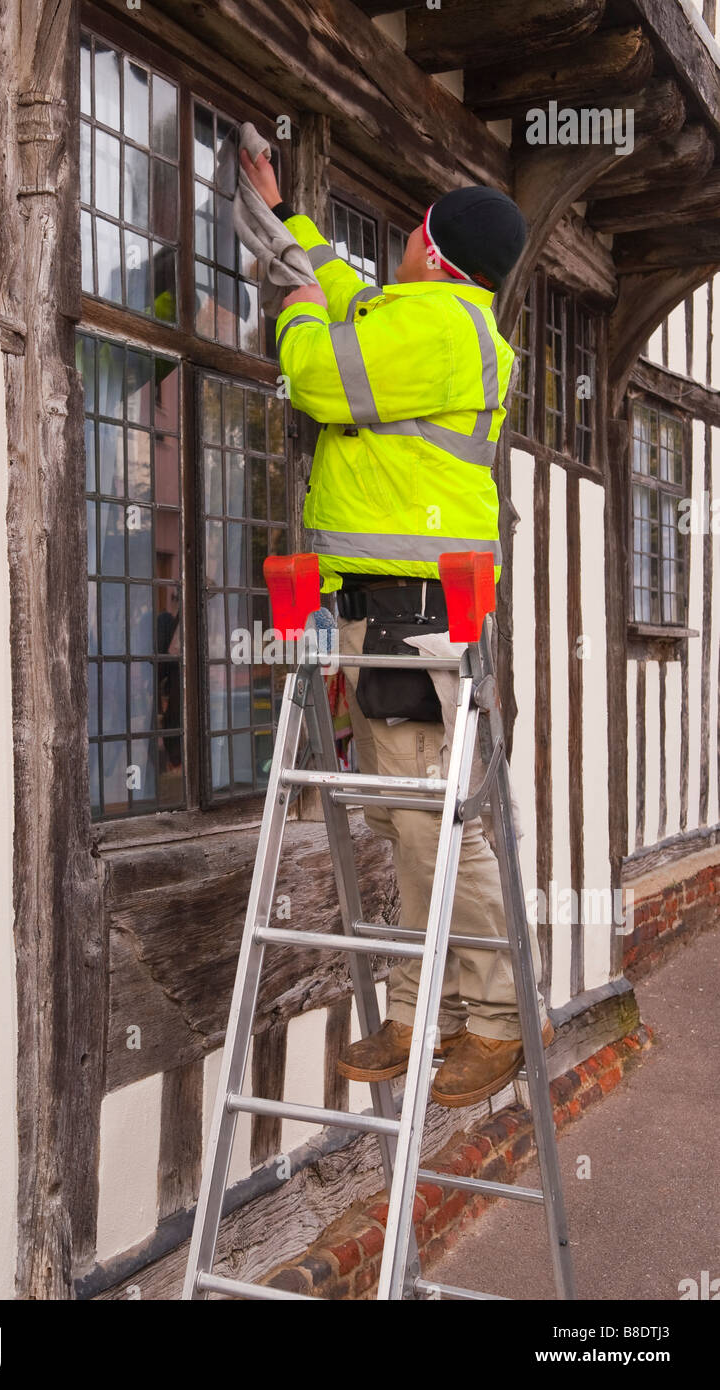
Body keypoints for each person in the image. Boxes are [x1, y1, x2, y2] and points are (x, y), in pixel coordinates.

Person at [240, 148, 552, 1107]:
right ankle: (426, 1013)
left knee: (432, 824)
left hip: (416, 612)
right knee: (403, 821)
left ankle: (498, 1019)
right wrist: (288, 217)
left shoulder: (439, 329)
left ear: (429, 246)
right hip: (384, 606)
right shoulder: (427, 316)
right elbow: (346, 282)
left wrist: (293, 309)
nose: (398, 250)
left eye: (412, 232)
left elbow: (317, 372)